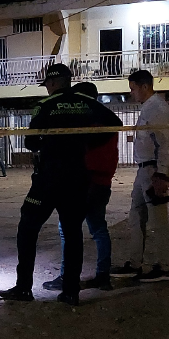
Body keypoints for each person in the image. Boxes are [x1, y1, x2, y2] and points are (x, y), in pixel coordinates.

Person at [0, 64, 117, 306]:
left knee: (28, 227)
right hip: (77, 178)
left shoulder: (46, 105)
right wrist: (86, 143)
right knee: (73, 232)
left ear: (52, 84)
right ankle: (71, 292)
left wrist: (49, 142)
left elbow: (30, 142)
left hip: (49, 177)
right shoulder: (87, 102)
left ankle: (23, 288)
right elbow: (113, 123)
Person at [42, 82, 123, 292]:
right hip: (103, 182)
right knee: (98, 229)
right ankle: (103, 275)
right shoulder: (108, 121)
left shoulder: (87, 123)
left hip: (83, 182)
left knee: (67, 230)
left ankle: (67, 277)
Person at [110, 70, 169, 282]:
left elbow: (164, 144)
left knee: (157, 220)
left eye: (133, 89)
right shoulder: (150, 107)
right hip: (144, 169)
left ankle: (162, 267)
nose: (132, 94)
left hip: (152, 170)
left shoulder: (156, 108)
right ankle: (135, 263)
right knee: (136, 216)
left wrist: (162, 174)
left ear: (144, 87)